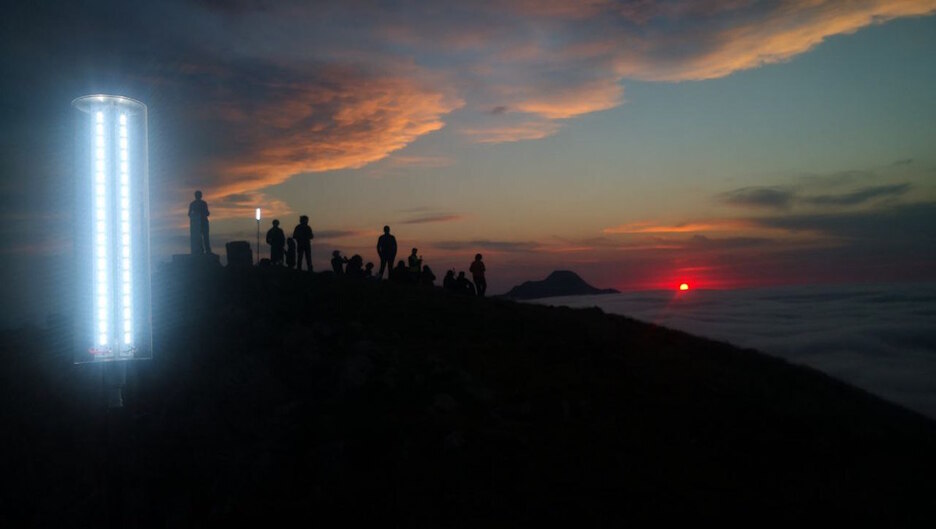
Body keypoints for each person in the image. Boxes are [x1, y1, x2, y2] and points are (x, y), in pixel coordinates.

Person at [188, 190, 211, 254]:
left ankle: (206, 250)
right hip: (197, 224)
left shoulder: (202, 203)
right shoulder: (194, 204)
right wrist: (197, 216)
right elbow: (189, 214)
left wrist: (202, 214)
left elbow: (207, 213)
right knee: (200, 237)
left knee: (204, 237)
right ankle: (202, 251)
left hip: (203, 222)